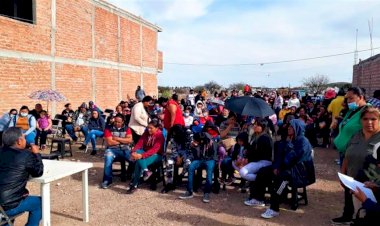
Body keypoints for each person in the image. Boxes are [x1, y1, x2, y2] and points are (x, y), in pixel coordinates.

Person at [261, 119, 315, 219]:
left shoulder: (303, 141)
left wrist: (288, 147)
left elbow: (293, 158)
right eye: (289, 126)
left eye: (291, 127)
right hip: (288, 168)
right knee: (264, 171)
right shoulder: (290, 139)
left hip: (299, 173)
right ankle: (259, 198)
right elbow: (280, 156)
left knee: (281, 180)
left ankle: (274, 208)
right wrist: (277, 166)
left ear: (297, 128)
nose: (289, 128)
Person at [336, 107, 380, 224]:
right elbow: (347, 155)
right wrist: (343, 173)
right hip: (355, 182)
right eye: (365, 119)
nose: (369, 122)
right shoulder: (356, 135)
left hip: (374, 187)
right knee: (359, 213)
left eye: (373, 119)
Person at [0, 127, 44, 226]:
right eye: (24, 138)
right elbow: (38, 172)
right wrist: (37, 154)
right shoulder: (25, 155)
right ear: (19, 141)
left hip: (3, 203)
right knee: (40, 203)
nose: (25, 140)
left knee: (4, 213)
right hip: (8, 204)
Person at [126, 119, 165, 194]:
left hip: (157, 155)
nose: (149, 129)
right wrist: (133, 152)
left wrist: (141, 155)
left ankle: (134, 185)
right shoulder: (146, 132)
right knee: (137, 153)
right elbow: (139, 143)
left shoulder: (160, 136)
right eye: (148, 127)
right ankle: (146, 171)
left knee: (138, 162)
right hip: (145, 152)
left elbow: (154, 150)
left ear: (157, 128)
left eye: (151, 128)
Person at [179, 132, 217, 203]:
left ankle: (206, 192)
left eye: (196, 141)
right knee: (191, 167)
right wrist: (195, 147)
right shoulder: (198, 141)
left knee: (209, 171)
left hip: (210, 159)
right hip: (199, 159)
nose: (195, 141)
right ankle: (189, 191)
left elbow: (214, 155)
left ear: (201, 140)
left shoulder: (211, 142)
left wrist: (214, 161)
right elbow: (196, 155)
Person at [101, 114, 134, 189]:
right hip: (112, 149)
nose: (116, 123)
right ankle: (107, 180)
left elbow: (130, 140)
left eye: (119, 122)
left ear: (122, 122)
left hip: (125, 149)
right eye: (115, 121)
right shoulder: (108, 128)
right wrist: (123, 141)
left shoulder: (127, 128)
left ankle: (130, 175)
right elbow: (110, 143)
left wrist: (116, 138)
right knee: (108, 158)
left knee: (134, 159)